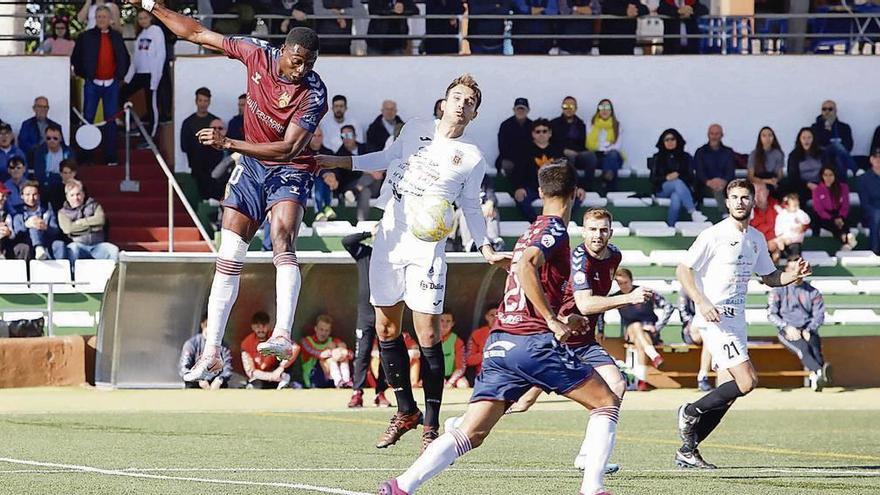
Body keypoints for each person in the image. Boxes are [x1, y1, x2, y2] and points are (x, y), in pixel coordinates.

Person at [378, 164, 620, 495]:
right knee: (606, 400)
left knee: (470, 434)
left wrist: (563, 319)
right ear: (576, 194)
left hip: (501, 342)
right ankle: (592, 488)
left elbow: (528, 273)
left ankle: (400, 485)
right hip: (532, 342)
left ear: (540, 193)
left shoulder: (530, 230)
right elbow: (525, 266)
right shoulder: (554, 231)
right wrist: (551, 320)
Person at [135, 0, 329, 386]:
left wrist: (230, 145)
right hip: (253, 167)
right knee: (229, 253)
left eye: (309, 62)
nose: (301, 68)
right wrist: (151, 5)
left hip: (289, 168)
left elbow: (289, 150)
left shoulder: (314, 92)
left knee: (282, 237)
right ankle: (209, 353)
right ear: (285, 50)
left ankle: (283, 334)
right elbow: (195, 32)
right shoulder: (256, 53)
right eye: (296, 60)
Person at [316, 74, 508, 451]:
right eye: (456, 97)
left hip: (427, 249)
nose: (461, 104)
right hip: (389, 239)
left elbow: (470, 205)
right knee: (386, 331)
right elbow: (386, 159)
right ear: (444, 100)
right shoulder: (416, 128)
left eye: (469, 101)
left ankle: (431, 425)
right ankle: (406, 411)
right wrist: (337, 160)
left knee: (429, 336)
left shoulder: (471, 157)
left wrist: (485, 247)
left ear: (475, 112)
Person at [675, 178, 812, 469]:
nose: (739, 202)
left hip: (737, 319)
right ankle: (689, 411)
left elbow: (770, 277)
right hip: (715, 317)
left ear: (753, 201)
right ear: (727, 202)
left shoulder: (757, 239)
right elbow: (683, 269)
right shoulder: (714, 234)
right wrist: (701, 301)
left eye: (744, 197)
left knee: (728, 393)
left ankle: (688, 449)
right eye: (734, 197)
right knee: (747, 381)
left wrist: (793, 277)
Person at [506, 207, 647, 476]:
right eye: (592, 230)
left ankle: (589, 456)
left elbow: (597, 299)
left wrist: (599, 323)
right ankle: (462, 423)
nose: (598, 235)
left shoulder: (614, 255)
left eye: (603, 230)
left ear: (611, 232)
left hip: (584, 341)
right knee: (522, 402)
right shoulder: (579, 258)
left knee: (616, 384)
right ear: (583, 232)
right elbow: (585, 302)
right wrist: (628, 297)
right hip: (559, 338)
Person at [71, 5, 129, 166]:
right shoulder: (86, 36)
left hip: (111, 84)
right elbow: (76, 58)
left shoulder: (117, 37)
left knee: (110, 120)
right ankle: (86, 155)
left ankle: (110, 155)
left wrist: (119, 77)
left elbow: (124, 57)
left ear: (110, 19)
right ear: (94, 19)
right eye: (98, 17)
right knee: (88, 119)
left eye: (104, 16)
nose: (101, 19)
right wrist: (86, 75)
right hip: (92, 84)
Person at [343, 229, 393, 408]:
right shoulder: (365, 253)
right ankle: (357, 392)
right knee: (362, 354)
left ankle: (381, 392)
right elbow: (347, 241)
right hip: (365, 314)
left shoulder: (393, 256)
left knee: (386, 354)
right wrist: (368, 232)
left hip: (387, 312)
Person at [768, 257, 830, 392]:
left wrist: (809, 329)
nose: (796, 272)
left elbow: (819, 315)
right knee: (803, 349)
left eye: (799, 268)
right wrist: (786, 327)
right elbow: (771, 314)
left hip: (808, 328)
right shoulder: (778, 290)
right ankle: (820, 371)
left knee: (815, 350)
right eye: (792, 269)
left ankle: (817, 377)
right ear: (786, 271)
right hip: (787, 330)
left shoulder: (813, 292)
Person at [613, 267, 675, 389]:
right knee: (635, 326)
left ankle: (641, 380)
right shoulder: (617, 297)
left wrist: (657, 327)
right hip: (630, 332)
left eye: (625, 282)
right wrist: (600, 330)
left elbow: (668, 306)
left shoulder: (645, 292)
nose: (623, 286)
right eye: (620, 283)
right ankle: (654, 356)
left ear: (631, 280)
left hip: (649, 333)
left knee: (641, 342)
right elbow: (600, 313)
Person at [121, 9, 166, 139]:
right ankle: (132, 123)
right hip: (139, 74)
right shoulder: (141, 35)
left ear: (151, 18)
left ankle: (151, 135)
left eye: (145, 18)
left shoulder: (157, 31)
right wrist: (128, 78)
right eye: (140, 18)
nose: (142, 21)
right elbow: (135, 59)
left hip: (151, 75)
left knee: (151, 104)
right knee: (121, 94)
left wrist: (156, 78)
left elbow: (160, 55)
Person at [650, 128, 706, 226]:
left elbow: (691, 177)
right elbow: (653, 179)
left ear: (677, 140)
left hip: (682, 190)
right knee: (677, 183)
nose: (670, 142)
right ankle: (693, 211)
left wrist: (678, 176)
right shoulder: (657, 157)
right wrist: (666, 178)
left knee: (676, 196)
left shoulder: (686, 157)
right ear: (662, 142)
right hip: (662, 190)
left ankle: (671, 226)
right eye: (666, 140)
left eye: (672, 139)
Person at [512, 119, 564, 222]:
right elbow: (517, 172)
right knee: (520, 197)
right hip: (532, 188)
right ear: (533, 134)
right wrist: (519, 187)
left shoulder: (557, 150)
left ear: (550, 133)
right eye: (538, 131)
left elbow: (566, 171)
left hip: (554, 189)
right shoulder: (525, 150)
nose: (541, 134)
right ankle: (536, 223)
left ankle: (555, 221)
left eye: (544, 131)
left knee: (574, 197)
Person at [57, 179, 119, 264]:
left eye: (78, 194)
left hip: (98, 245)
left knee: (113, 250)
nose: (76, 198)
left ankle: (111, 277)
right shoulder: (62, 213)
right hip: (78, 245)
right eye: (72, 195)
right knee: (73, 249)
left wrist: (80, 222)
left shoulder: (94, 205)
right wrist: (92, 226)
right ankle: (73, 276)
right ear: (67, 197)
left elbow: (100, 220)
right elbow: (68, 229)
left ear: (83, 194)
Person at [240, 311, 299, 389]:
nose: (261, 329)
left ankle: (286, 382)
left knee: (286, 351)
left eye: (263, 326)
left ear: (268, 326)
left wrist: (281, 367)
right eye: (257, 326)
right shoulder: (246, 343)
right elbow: (250, 371)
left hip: (279, 372)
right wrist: (271, 376)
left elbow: (295, 348)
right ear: (252, 327)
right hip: (261, 376)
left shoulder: (275, 337)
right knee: (254, 386)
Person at [180, 87, 220, 200]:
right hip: (196, 170)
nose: (203, 104)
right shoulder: (188, 123)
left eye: (205, 101)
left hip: (214, 168)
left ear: (209, 102)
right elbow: (184, 146)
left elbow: (220, 144)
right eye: (200, 100)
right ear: (196, 101)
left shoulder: (215, 122)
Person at [12, 181, 66, 261]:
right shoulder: (18, 212)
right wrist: (27, 225)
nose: (31, 198)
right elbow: (17, 231)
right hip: (26, 242)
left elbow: (55, 230)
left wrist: (45, 227)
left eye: (34, 194)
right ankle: (38, 248)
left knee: (59, 244)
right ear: (22, 196)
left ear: (39, 195)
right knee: (33, 224)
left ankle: (62, 270)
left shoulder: (47, 211)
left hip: (46, 241)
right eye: (27, 195)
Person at [179, 313, 233, 389]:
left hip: (217, 383)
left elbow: (228, 368)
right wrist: (198, 379)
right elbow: (183, 368)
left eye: (214, 327)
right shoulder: (191, 344)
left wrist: (219, 380)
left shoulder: (223, 346)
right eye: (208, 326)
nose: (211, 330)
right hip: (195, 383)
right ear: (202, 325)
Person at [300, 314, 354, 388]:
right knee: (330, 354)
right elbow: (318, 353)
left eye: (326, 330)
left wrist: (344, 352)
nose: (323, 333)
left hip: (330, 379)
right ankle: (339, 381)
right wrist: (332, 353)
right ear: (315, 328)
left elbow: (350, 355)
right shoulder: (306, 341)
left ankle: (345, 380)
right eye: (321, 329)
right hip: (314, 378)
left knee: (340, 347)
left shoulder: (333, 341)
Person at [583, 99, 624, 193]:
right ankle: (609, 184)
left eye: (607, 107)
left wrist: (604, 149)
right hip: (597, 156)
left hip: (613, 156)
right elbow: (588, 144)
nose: (604, 110)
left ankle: (607, 179)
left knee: (612, 155)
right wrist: (605, 147)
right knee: (603, 159)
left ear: (611, 110)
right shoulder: (591, 123)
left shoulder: (617, 125)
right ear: (598, 110)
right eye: (602, 107)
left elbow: (617, 146)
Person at [812, 164, 857, 251]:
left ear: (835, 175)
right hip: (824, 216)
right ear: (822, 176)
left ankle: (846, 241)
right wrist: (833, 218)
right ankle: (846, 239)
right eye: (825, 175)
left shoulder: (843, 188)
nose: (828, 178)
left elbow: (845, 205)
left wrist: (840, 216)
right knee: (832, 224)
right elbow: (819, 210)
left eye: (831, 175)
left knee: (842, 222)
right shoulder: (817, 190)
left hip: (839, 213)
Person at [693, 123, 735, 212]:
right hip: (704, 186)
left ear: (722, 135)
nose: (714, 136)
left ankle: (727, 215)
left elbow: (730, 171)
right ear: (708, 135)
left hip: (725, 185)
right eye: (712, 134)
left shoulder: (728, 152)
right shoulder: (700, 152)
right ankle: (725, 215)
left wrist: (723, 181)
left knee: (722, 189)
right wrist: (708, 182)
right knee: (717, 189)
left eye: (717, 134)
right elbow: (699, 171)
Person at [550, 96, 587, 193]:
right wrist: (564, 150)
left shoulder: (581, 125)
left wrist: (577, 152)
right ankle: (571, 188)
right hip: (560, 155)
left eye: (572, 106)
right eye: (566, 106)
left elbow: (583, 144)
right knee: (568, 159)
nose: (569, 108)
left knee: (590, 157)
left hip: (578, 154)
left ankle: (587, 187)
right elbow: (550, 143)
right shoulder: (554, 124)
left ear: (576, 108)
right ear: (562, 108)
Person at [810, 100, 856, 177]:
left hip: (839, 156)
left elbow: (849, 146)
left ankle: (841, 185)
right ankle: (855, 169)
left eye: (830, 109)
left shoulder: (844, 127)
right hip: (822, 155)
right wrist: (826, 130)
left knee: (838, 153)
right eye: (824, 109)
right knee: (836, 145)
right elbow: (816, 144)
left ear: (835, 111)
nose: (827, 111)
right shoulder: (815, 127)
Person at [678, 292, 713, 391]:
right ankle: (702, 378)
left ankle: (703, 378)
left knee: (708, 338)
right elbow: (683, 314)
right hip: (691, 331)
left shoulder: (709, 287)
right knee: (707, 332)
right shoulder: (685, 290)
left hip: (709, 330)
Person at [786, 127, 824, 204]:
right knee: (799, 196)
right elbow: (792, 176)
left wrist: (821, 185)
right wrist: (807, 184)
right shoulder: (794, 155)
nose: (806, 140)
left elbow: (828, 170)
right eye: (803, 138)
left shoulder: (822, 153)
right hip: (802, 185)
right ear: (799, 140)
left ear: (813, 139)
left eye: (809, 137)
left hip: (820, 184)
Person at [307, 128, 338, 222]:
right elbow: (310, 169)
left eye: (319, 135)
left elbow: (337, 169)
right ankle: (321, 209)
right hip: (308, 188)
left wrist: (334, 178)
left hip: (329, 186)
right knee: (318, 180)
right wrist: (325, 174)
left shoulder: (329, 153)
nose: (317, 138)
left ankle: (324, 209)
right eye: (314, 136)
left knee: (325, 180)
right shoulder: (304, 152)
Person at [496, 97, 532, 176]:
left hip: (527, 158)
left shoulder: (532, 125)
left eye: (523, 109)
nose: (520, 111)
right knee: (507, 165)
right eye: (518, 109)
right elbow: (502, 146)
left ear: (528, 110)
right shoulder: (505, 125)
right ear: (513, 110)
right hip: (509, 158)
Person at [30, 125, 72, 192]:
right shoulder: (39, 152)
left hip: (65, 186)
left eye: (55, 138)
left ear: (60, 138)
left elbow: (71, 172)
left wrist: (51, 176)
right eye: (48, 138)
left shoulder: (68, 152)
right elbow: (39, 175)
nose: (51, 141)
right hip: (46, 186)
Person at [463, 304, 496, 385]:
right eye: (492, 315)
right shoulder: (477, 334)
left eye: (498, 315)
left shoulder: (509, 333)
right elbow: (468, 360)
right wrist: (487, 355)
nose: (495, 318)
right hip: (484, 375)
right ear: (486, 317)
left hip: (505, 375)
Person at [749, 182, 782, 262]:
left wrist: (774, 240)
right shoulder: (748, 210)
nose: (757, 194)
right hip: (758, 243)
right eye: (754, 192)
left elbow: (785, 225)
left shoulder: (777, 206)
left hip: (777, 241)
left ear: (767, 192)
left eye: (760, 191)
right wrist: (767, 241)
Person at [774, 192, 810, 261]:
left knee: (795, 247)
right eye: (793, 206)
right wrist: (782, 238)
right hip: (783, 239)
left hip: (795, 241)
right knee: (777, 243)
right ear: (787, 206)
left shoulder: (800, 214)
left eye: (797, 205)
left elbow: (807, 220)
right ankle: (777, 253)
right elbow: (778, 229)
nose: (796, 207)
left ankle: (793, 262)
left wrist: (799, 212)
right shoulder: (782, 215)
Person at [747, 126, 784, 192]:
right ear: (760, 138)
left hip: (772, 180)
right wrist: (765, 181)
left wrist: (776, 180)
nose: (767, 138)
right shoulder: (754, 154)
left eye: (770, 135)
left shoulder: (778, 154)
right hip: (758, 181)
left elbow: (780, 174)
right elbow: (750, 177)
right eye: (764, 136)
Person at [858, 148, 880, 255]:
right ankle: (875, 250)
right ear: (871, 159)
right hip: (870, 211)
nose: (879, 160)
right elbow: (864, 203)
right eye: (877, 158)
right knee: (876, 215)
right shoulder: (864, 178)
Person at [0, 183, 30, 260]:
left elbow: (12, 235)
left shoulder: (6, 215)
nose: (4, 199)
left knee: (23, 247)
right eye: (2, 195)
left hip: (4, 246)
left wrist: (8, 233)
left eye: (6, 196)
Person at [438, 313, 468, 388]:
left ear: (452, 324)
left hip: (453, 376)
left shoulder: (457, 341)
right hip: (436, 376)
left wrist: (451, 382)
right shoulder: (430, 338)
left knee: (463, 385)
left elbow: (461, 366)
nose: (445, 324)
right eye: (442, 321)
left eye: (448, 321)